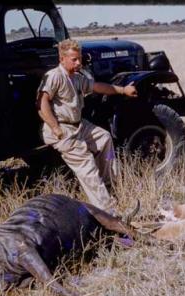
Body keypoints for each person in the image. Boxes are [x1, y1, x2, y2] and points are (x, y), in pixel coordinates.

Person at [36, 39, 137, 213]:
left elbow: (97, 87)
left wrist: (122, 90)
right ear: (62, 59)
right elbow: (41, 103)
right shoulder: (54, 76)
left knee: (104, 138)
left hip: (78, 125)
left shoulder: (76, 78)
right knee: (87, 165)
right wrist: (55, 128)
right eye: (74, 59)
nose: (78, 63)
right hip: (62, 128)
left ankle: (109, 186)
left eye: (79, 59)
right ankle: (108, 212)